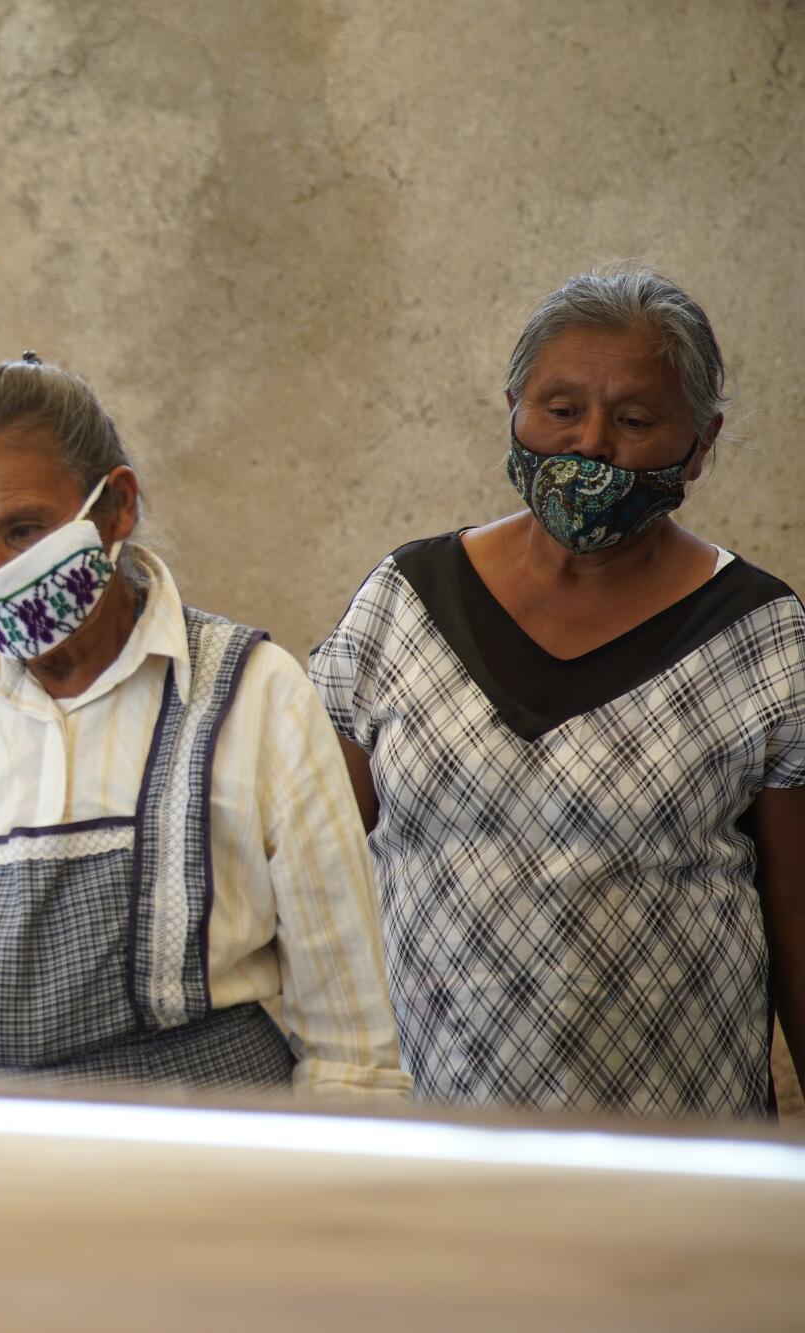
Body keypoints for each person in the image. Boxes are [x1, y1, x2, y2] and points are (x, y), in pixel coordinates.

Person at [0, 359, 408, 1098]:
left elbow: (350, 1047)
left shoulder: (253, 696)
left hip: (183, 1163)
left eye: (24, 530)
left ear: (116, 507)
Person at [309, 266, 805, 1118]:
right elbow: (315, 868)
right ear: (513, 408)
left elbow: (797, 927)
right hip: (437, 1140)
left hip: (679, 1149)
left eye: (638, 420)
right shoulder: (406, 600)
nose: (591, 445)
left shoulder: (760, 632)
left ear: (703, 439)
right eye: (561, 410)